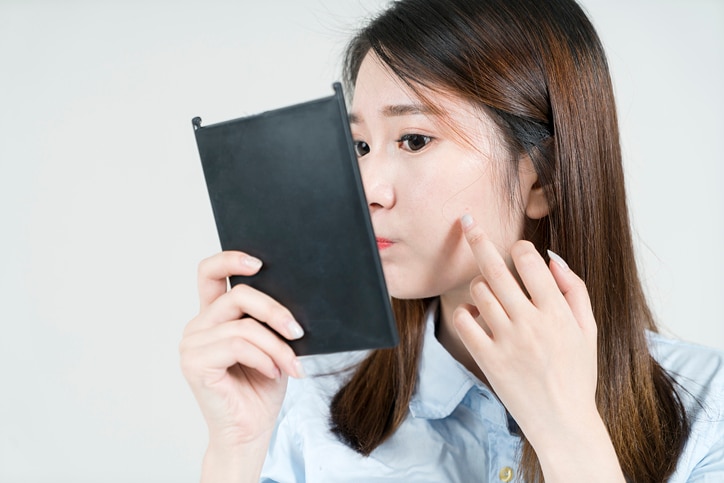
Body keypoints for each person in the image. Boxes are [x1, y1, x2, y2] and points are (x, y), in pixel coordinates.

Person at [180, 0, 724, 481]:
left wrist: (568, 434)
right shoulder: (302, 398)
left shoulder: (709, 406)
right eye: (360, 146)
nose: (366, 188)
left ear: (546, 178)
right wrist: (235, 452)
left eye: (414, 140)